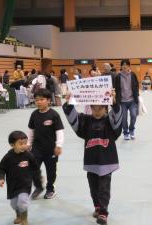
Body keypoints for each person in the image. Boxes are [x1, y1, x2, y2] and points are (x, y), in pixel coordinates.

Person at [62, 89, 122, 225]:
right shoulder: (85, 121)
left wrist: (114, 103)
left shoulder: (110, 122)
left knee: (104, 188)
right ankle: (97, 206)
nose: (96, 110)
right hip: (91, 161)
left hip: (107, 162)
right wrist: (69, 103)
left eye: (100, 107)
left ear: (105, 107)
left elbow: (117, 118)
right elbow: (73, 119)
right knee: (93, 187)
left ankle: (103, 213)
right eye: (93, 107)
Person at [27, 89, 64, 200]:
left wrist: (59, 145)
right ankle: (38, 187)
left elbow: (59, 131)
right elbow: (31, 130)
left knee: (51, 171)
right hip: (37, 149)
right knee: (33, 169)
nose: (38, 102)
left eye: (42, 99)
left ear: (48, 100)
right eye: (36, 100)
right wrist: (28, 143)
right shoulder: (34, 114)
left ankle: (50, 189)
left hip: (51, 150)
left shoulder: (54, 115)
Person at [0, 131, 41, 225]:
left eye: (25, 143)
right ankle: (18, 215)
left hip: (25, 184)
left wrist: (38, 179)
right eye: (21, 144)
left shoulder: (29, 156)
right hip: (13, 185)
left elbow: (35, 168)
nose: (24, 146)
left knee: (22, 202)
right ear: (12, 145)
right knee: (14, 204)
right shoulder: (8, 157)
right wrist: (1, 178)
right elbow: (1, 169)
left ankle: (24, 219)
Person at [115, 59, 139, 140]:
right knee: (123, 118)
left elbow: (136, 85)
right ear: (121, 66)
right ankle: (125, 132)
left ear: (129, 66)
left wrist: (137, 96)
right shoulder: (118, 76)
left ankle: (131, 129)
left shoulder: (133, 75)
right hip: (122, 102)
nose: (124, 66)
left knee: (133, 115)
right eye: (123, 65)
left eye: (126, 65)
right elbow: (115, 88)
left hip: (132, 100)